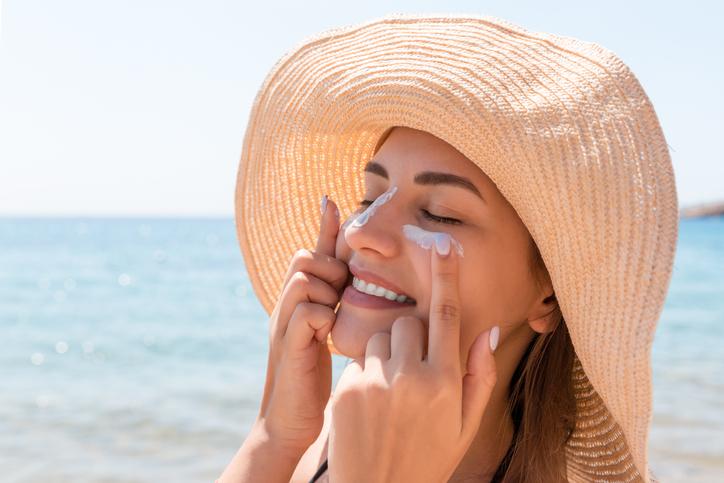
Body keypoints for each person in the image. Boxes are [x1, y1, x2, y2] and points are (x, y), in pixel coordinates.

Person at [217, 12, 678, 483]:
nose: (361, 233)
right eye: (369, 198)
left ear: (549, 294)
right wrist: (274, 435)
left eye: (440, 214)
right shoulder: (346, 420)